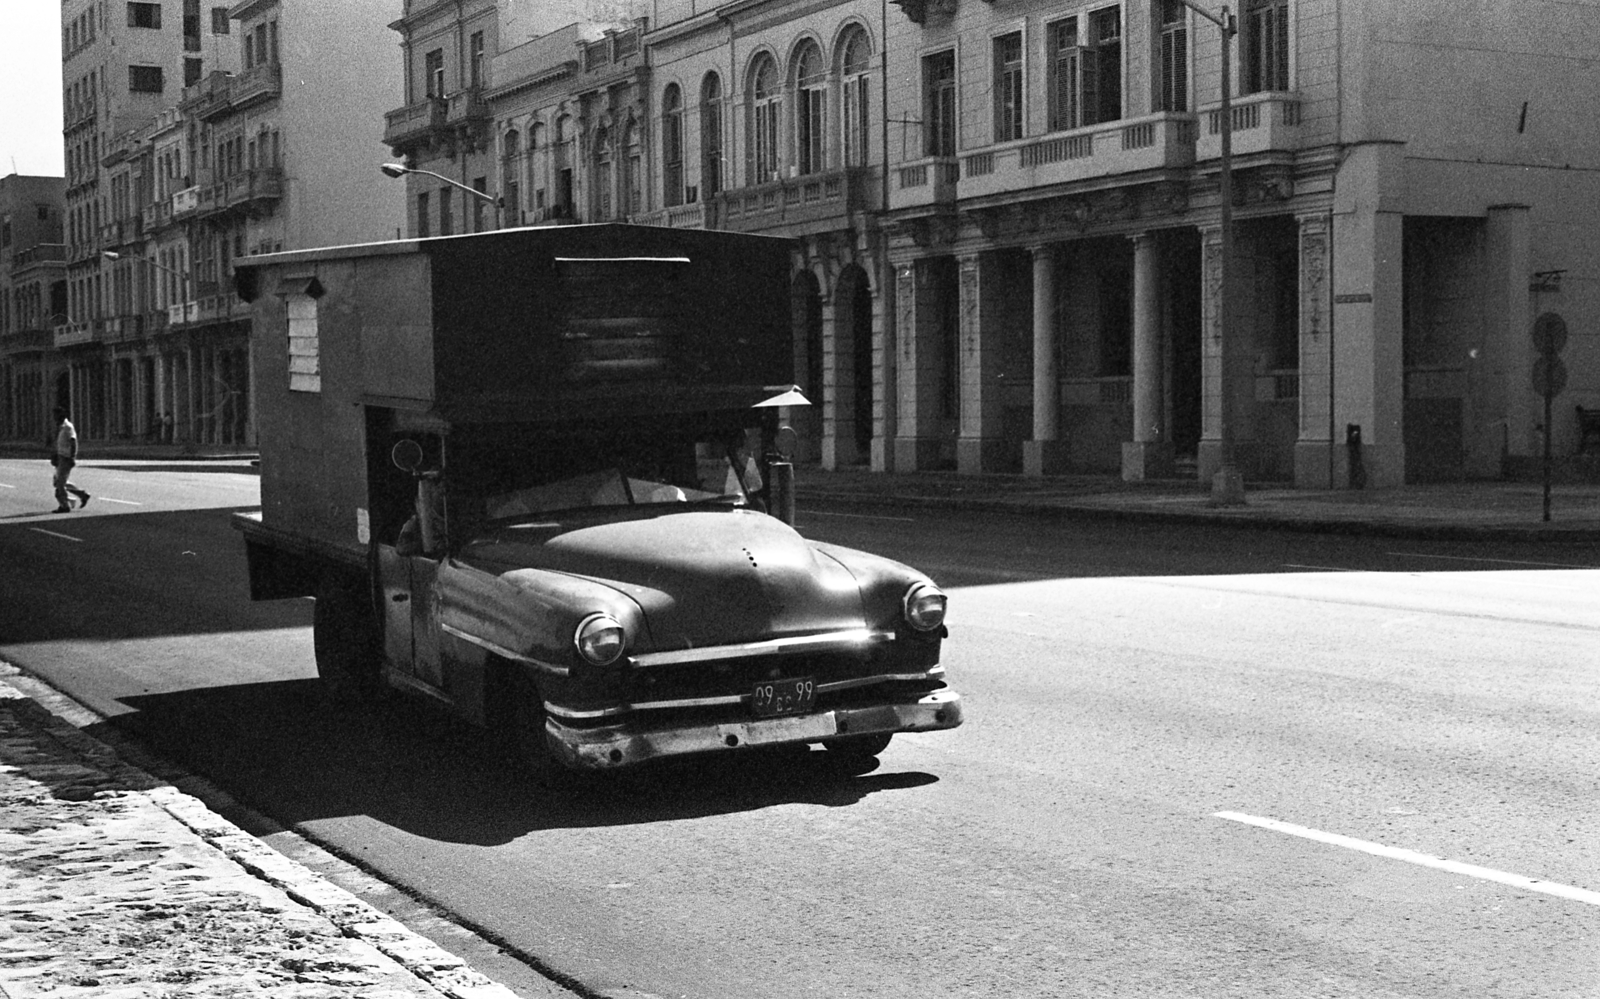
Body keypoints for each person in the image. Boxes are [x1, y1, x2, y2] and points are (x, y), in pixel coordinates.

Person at [50, 407, 91, 513]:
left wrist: (73, 457)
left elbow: (73, 443)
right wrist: (54, 455)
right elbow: (59, 443)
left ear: (61, 416)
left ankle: (64, 506)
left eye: (56, 415)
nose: (54, 418)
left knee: (60, 483)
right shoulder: (60, 428)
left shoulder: (68, 427)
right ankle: (82, 495)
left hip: (66, 458)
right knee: (58, 482)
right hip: (60, 457)